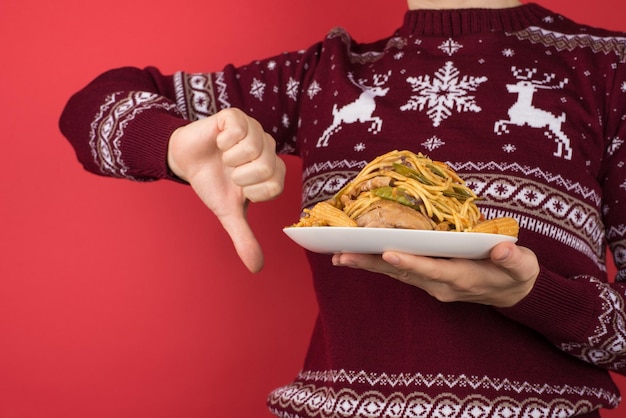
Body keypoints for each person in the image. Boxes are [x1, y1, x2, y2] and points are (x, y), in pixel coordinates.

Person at [59, 0, 626, 416]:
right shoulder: (323, 76)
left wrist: (534, 296)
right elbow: (90, 109)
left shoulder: (608, 72)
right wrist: (174, 146)